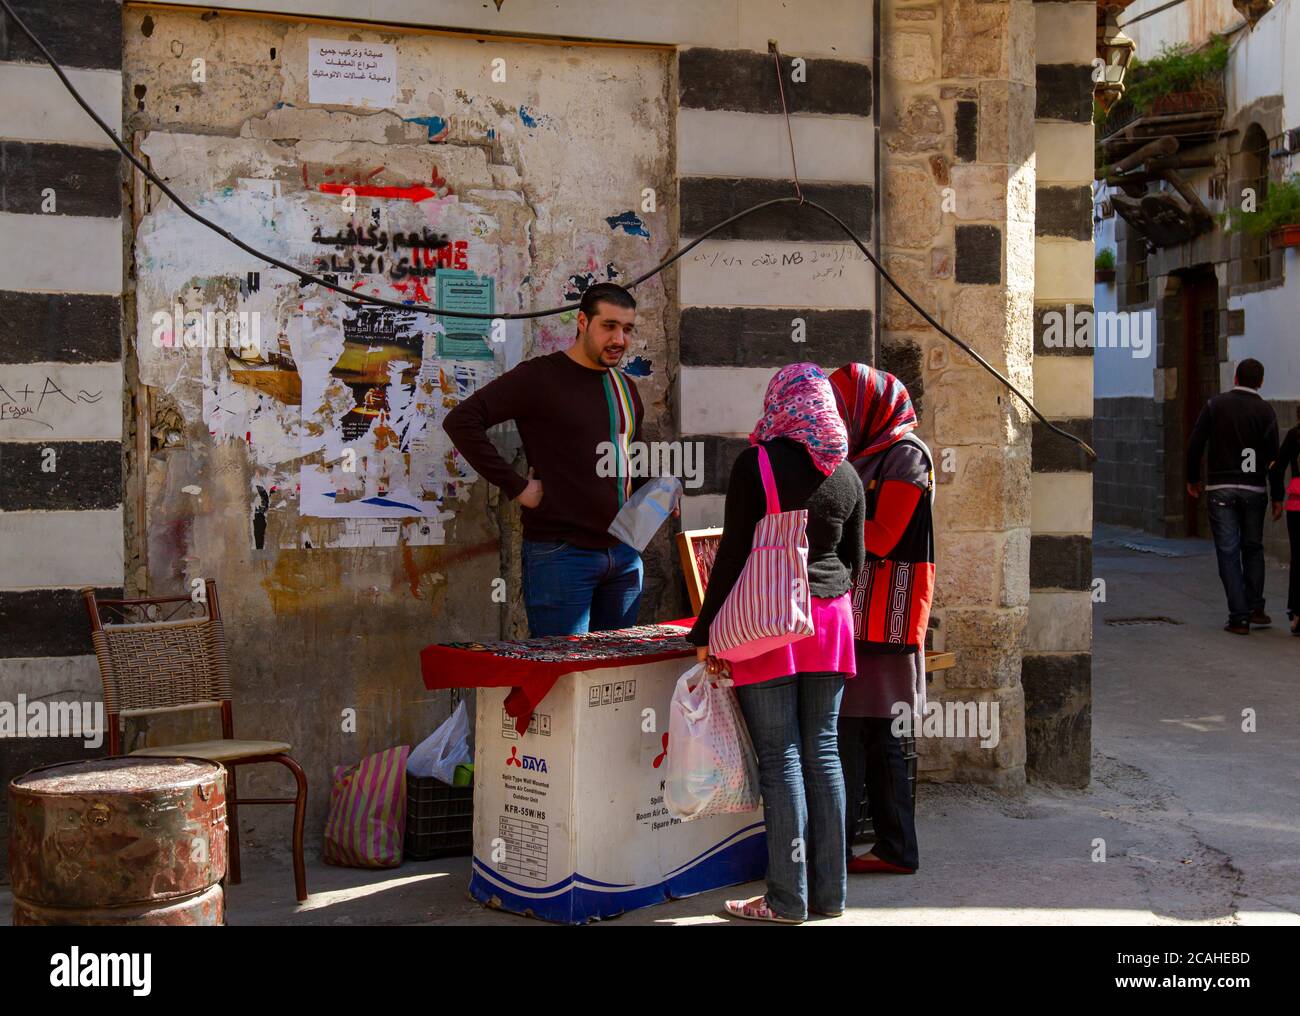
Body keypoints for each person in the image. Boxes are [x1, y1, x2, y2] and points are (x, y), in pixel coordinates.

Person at [687, 363, 865, 924]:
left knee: (781, 758)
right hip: (831, 622)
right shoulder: (847, 472)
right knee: (824, 752)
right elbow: (856, 561)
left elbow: (734, 554)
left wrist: (704, 630)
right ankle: (830, 896)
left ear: (780, 401)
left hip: (769, 621)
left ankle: (787, 900)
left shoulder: (756, 463)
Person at [443, 282, 647, 637]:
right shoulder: (540, 377)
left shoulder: (625, 387)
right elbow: (461, 421)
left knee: (614, 680)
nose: (619, 339)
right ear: (583, 322)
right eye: (609, 326)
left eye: (627, 329)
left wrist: (656, 494)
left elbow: (632, 458)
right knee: (562, 678)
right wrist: (517, 486)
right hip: (562, 555)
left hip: (624, 558)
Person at [829, 363, 933, 876]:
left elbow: (887, 535)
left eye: (844, 409)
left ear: (869, 410)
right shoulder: (860, 456)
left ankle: (873, 849)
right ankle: (883, 848)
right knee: (862, 734)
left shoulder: (906, 456)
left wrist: (821, 517)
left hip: (884, 616)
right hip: (857, 612)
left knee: (868, 734)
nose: (835, 417)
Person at [1185, 358, 1280, 635]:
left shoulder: (1216, 405)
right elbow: (1273, 459)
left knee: (1228, 552)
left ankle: (1238, 617)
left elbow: (1195, 442)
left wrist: (1193, 478)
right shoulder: (1266, 411)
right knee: (1253, 547)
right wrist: (1276, 496)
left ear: (1235, 378)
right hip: (1254, 489)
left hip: (1221, 487)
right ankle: (1256, 607)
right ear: (1260, 382)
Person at [1268, 407, 1300, 636]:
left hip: (1298, 506)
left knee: (1298, 558)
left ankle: (1298, 613)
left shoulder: (1295, 435)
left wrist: (1277, 499)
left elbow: (1276, 469)